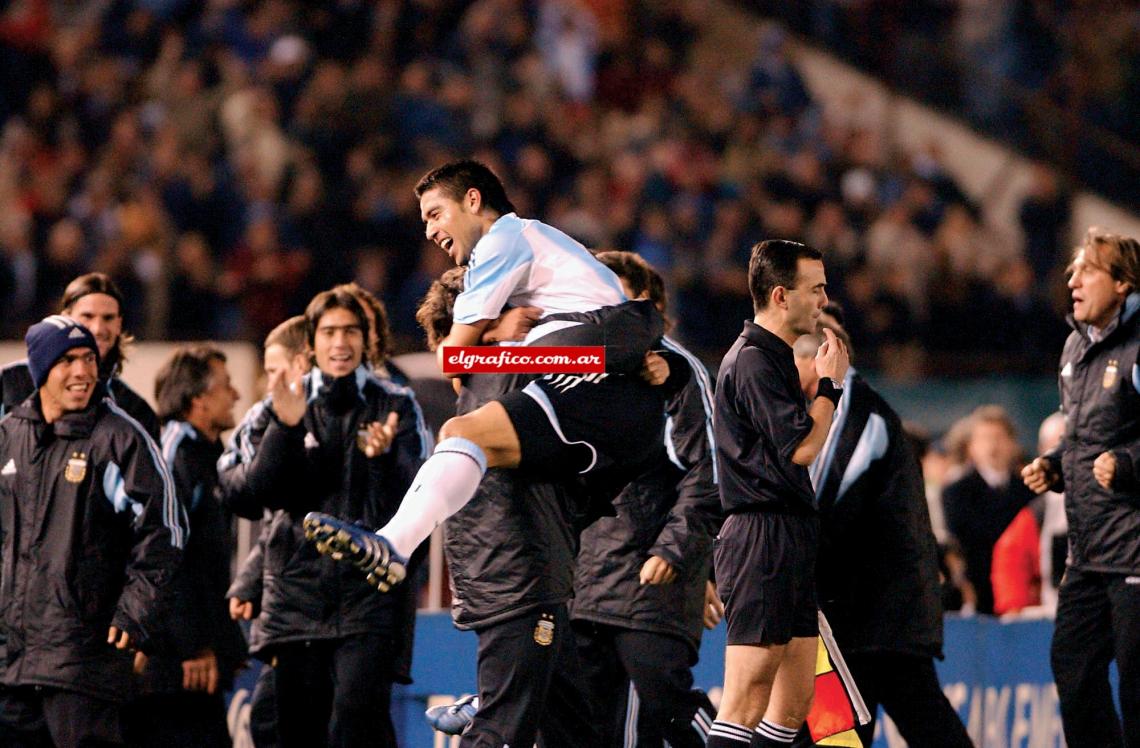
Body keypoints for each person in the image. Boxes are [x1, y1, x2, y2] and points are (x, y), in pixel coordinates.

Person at [305, 159, 678, 592]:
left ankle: (395, 543)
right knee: (466, 435)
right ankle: (393, 544)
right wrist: (497, 336)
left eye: (435, 214)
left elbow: (453, 361)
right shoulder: (543, 255)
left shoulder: (502, 239)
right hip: (606, 404)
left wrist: (483, 343)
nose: (428, 231)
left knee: (467, 429)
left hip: (595, 386)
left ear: (473, 200)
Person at [219, 288, 432, 748]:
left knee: (357, 724)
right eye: (330, 331)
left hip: (368, 602)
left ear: (366, 339)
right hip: (295, 604)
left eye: (350, 331)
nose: (341, 342)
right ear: (311, 343)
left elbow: (423, 499)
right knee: (298, 732)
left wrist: (385, 458)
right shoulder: (276, 405)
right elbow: (249, 496)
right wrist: (287, 427)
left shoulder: (395, 405)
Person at [415, 267, 601, 747]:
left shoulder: (487, 383)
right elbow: (596, 357)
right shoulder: (506, 375)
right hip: (519, 578)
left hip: (525, 576)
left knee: (574, 731)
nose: (534, 314)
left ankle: (486, 702)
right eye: (515, 305)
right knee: (502, 731)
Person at [0, 315, 187, 746]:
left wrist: (136, 611)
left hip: (85, 662)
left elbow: (166, 531)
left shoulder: (120, 439)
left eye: (88, 359)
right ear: (40, 368)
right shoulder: (9, 437)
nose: (84, 372)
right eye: (67, 360)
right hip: (10, 663)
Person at [790, 306, 971, 747]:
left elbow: (826, 507)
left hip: (872, 619)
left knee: (849, 732)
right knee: (844, 734)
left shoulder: (859, 415)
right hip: (853, 617)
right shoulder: (830, 415)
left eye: (790, 356)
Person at [571, 251, 721, 747]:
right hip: (584, 579)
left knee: (665, 706)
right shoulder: (578, 370)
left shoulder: (680, 373)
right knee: (589, 722)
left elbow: (710, 473)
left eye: (623, 300)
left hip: (650, 577)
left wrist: (676, 552)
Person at [707, 239, 849, 748]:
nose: (824, 300)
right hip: (760, 535)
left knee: (793, 705)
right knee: (745, 699)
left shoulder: (776, 359)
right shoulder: (753, 361)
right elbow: (803, 449)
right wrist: (830, 387)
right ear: (781, 296)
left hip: (787, 532)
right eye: (816, 289)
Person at [1021, 229, 1140, 747]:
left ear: (1122, 283)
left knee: (1137, 689)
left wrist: (1130, 464)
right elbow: (1085, 436)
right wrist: (1055, 466)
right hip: (1088, 552)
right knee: (1072, 672)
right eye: (1072, 271)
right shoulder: (1074, 346)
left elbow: (1121, 447)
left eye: (1087, 270)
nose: (1072, 280)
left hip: (1136, 552)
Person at [127, 345, 248, 747]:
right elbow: (163, 553)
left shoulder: (206, 454)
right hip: (177, 662)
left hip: (198, 654)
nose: (236, 395)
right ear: (198, 400)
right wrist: (191, 644)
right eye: (226, 386)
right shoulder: (175, 453)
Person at [222, 315, 313, 748]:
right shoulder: (268, 418)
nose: (266, 381)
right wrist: (250, 578)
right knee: (271, 721)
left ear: (302, 364)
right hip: (290, 603)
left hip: (317, 607)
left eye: (276, 370)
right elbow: (266, 502)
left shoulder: (330, 416)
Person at [0, 272, 159, 437]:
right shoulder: (8, 382)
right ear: (65, 318)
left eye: (108, 318)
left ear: (119, 324)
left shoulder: (136, 411)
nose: (97, 329)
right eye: (87, 316)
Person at [941, 405, 1035, 615]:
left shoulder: (1028, 490)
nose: (993, 446)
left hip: (1019, 594)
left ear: (1013, 444)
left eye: (999, 437)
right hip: (977, 590)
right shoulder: (956, 491)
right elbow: (958, 541)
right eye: (984, 438)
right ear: (971, 446)